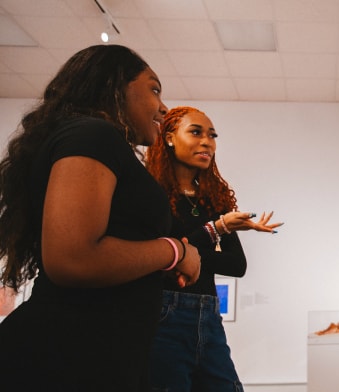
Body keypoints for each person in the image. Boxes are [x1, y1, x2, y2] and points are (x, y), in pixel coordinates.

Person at [0, 45, 202, 391]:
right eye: (154, 89)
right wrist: (175, 253)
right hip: (64, 361)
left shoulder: (91, 138)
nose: (163, 107)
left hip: (90, 357)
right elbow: (73, 258)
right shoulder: (92, 134)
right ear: (114, 86)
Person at [144, 106, 282, 391]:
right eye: (196, 132)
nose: (208, 142)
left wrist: (185, 251)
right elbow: (158, 256)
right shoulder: (150, 194)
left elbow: (236, 265)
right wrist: (215, 230)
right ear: (169, 138)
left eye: (212, 135)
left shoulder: (214, 201)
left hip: (207, 314)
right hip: (162, 316)